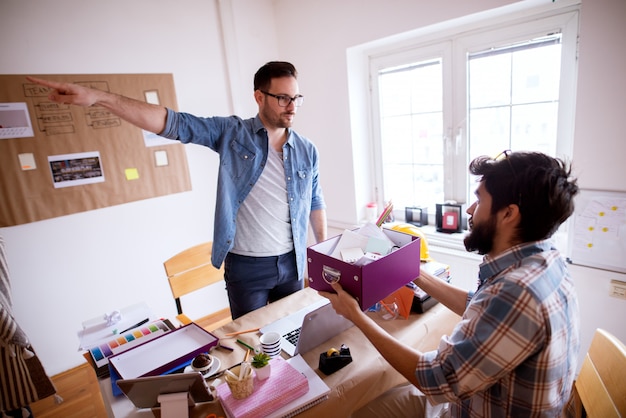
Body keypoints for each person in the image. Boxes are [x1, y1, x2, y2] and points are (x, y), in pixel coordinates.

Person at [27, 61, 327, 319]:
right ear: (259, 97)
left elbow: (314, 200)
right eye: (283, 98)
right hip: (246, 267)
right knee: (253, 345)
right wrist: (98, 97)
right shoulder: (232, 133)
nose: (292, 106)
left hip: (293, 262)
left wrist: (323, 251)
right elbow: (174, 123)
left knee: (294, 332)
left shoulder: (306, 149)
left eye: (296, 98)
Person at [321, 151, 580, 417]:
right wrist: (412, 272)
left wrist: (355, 315)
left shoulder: (516, 293)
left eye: (479, 199)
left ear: (508, 214)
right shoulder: (547, 262)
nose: (469, 209)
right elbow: (479, 306)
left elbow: (436, 379)